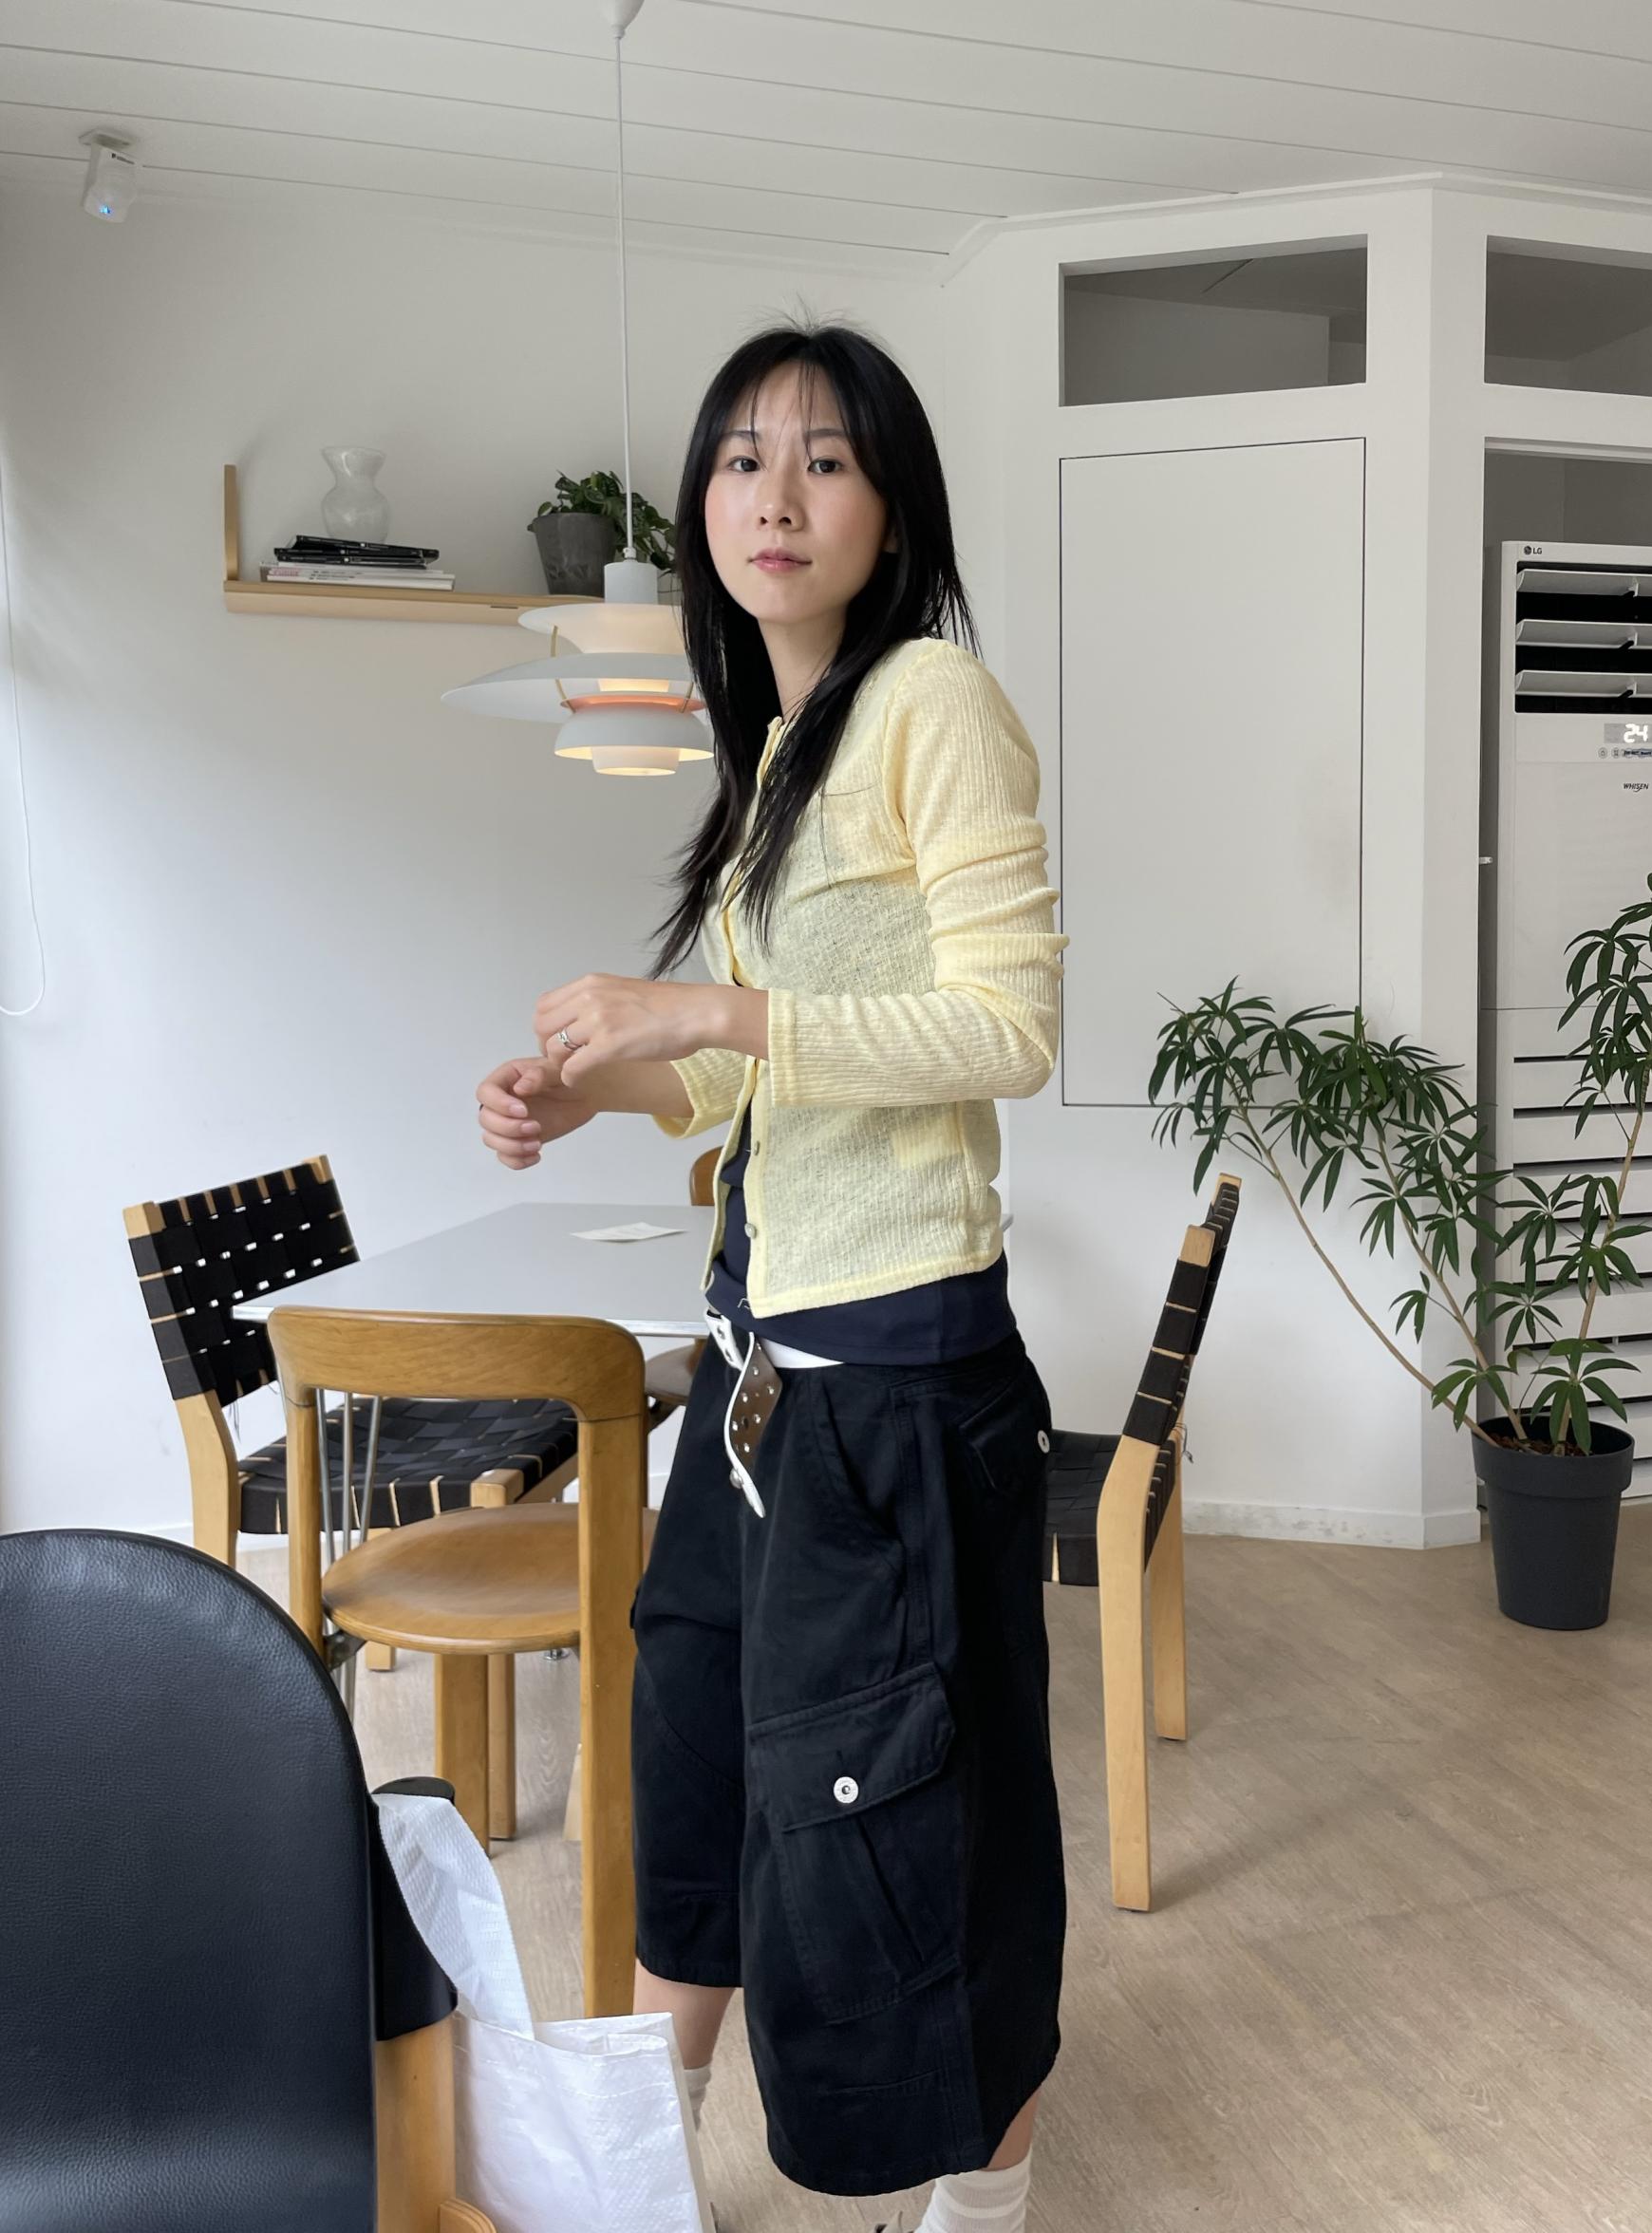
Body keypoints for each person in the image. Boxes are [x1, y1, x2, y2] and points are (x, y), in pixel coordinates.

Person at [476, 318, 1069, 2232]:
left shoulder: (931, 704)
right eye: (741, 460)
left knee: (909, 1822)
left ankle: (984, 2203)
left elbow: (1009, 1027)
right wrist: (598, 1091)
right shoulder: (785, 754)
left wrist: (707, 1004)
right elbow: (755, 1076)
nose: (775, 496)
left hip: (894, 1378)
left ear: (892, 509)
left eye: (823, 459)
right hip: (755, 1381)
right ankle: (643, 2161)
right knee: (704, 1759)